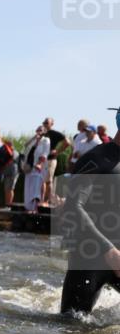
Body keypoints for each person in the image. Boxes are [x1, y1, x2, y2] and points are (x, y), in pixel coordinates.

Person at [58, 113, 120, 314]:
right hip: (89, 256)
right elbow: (73, 207)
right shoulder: (95, 158)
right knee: (72, 328)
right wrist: (109, 250)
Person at [21, 126, 51, 213]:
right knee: (28, 187)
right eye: (37, 130)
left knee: (36, 188)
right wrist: (35, 138)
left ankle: (35, 208)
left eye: (41, 130)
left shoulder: (46, 140)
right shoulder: (33, 140)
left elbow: (45, 153)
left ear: (44, 132)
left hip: (38, 167)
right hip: (29, 167)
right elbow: (25, 146)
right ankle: (28, 207)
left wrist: (40, 164)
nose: (39, 131)